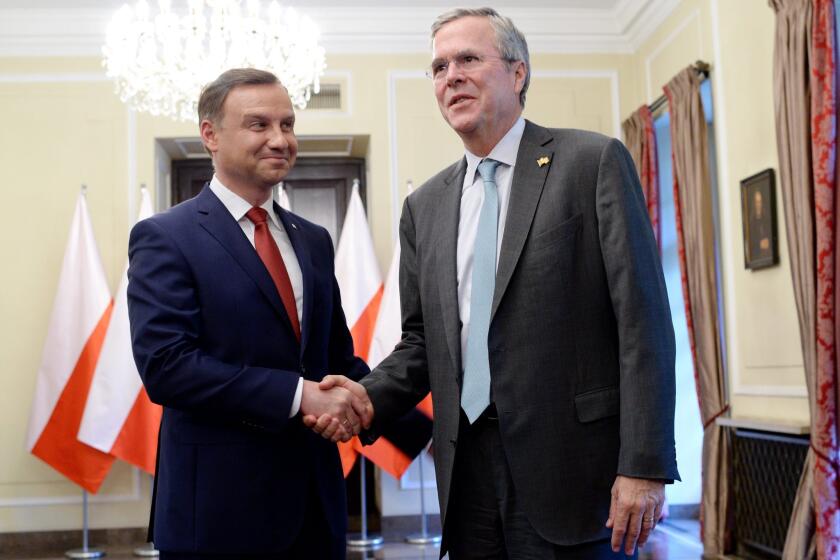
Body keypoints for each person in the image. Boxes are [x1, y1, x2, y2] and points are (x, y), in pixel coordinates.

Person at [309, 8, 679, 559]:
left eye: (468, 59)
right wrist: (365, 398)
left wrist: (644, 464)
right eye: (438, 66)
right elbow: (422, 343)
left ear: (518, 73)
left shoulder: (591, 162)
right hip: (466, 478)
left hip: (575, 474)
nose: (450, 75)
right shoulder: (425, 207)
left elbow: (642, 324)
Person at [128, 68, 372, 560]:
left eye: (288, 124)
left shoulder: (314, 239)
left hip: (316, 510)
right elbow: (168, 368)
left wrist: (406, 414)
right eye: (259, 125)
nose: (280, 139)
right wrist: (299, 395)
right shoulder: (165, 236)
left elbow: (337, 361)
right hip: (217, 515)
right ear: (210, 135)